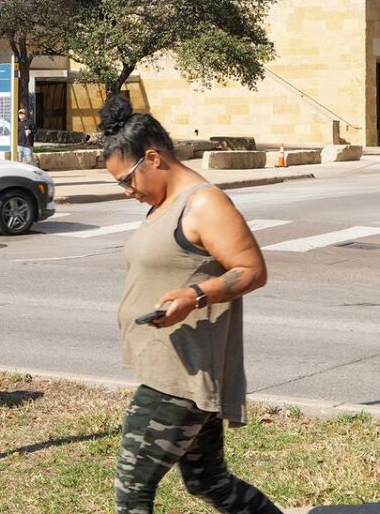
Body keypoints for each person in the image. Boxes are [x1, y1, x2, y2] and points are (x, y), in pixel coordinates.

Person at [98, 95, 282, 514]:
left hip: (180, 378)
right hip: (171, 366)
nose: (127, 192)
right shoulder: (164, 203)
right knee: (209, 482)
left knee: (132, 494)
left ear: (153, 158)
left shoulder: (204, 203)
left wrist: (195, 296)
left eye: (127, 180)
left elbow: (251, 270)